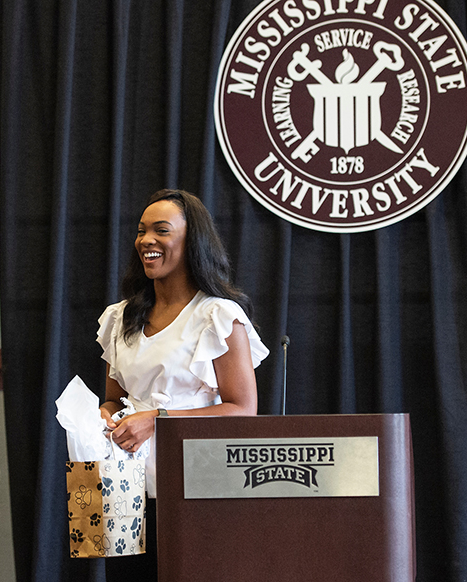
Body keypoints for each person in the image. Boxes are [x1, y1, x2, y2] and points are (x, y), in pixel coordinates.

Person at [97, 189, 268, 581]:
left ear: (193, 241)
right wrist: (105, 418)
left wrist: (157, 419)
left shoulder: (218, 315)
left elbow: (242, 409)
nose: (146, 241)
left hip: (197, 490)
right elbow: (112, 399)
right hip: (126, 491)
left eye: (161, 230)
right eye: (141, 232)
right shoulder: (119, 317)